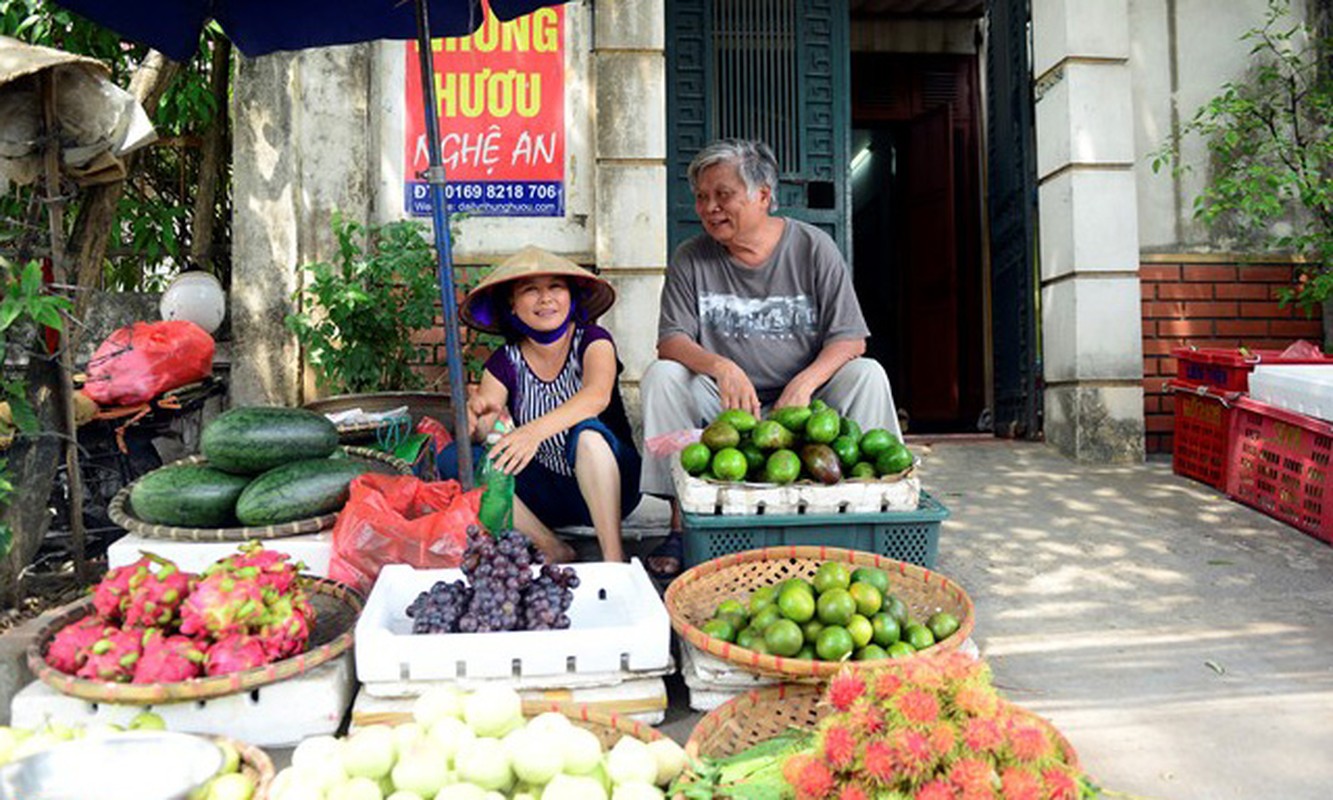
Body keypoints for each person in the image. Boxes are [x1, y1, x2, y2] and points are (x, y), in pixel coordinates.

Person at [640, 138, 902, 578]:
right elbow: (671, 341)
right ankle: (681, 526)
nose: (709, 208)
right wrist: (720, 366)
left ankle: (869, 511)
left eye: (723, 195)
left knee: (866, 374)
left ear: (763, 195)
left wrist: (804, 382)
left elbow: (851, 338)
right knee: (664, 376)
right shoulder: (691, 258)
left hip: (805, 404)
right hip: (727, 407)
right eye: (702, 197)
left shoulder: (813, 247)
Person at [437, 246, 642, 564]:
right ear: (513, 306)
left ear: (571, 298)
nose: (545, 299)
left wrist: (532, 433)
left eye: (555, 287)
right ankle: (550, 545)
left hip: (613, 488)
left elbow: (596, 396)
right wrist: (474, 420)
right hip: (545, 497)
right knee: (455, 457)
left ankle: (614, 558)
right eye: (530, 290)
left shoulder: (593, 340)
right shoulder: (504, 362)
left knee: (588, 434)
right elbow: (482, 430)